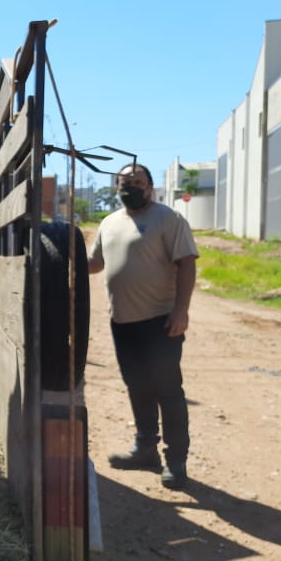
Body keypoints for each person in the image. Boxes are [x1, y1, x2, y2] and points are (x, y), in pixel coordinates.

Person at [88, 163, 199, 489]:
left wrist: (181, 311)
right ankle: (145, 449)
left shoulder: (168, 219)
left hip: (160, 322)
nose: (130, 187)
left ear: (150, 187)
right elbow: (95, 264)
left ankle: (176, 462)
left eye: (137, 182)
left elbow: (187, 263)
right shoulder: (109, 223)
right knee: (137, 386)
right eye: (124, 182)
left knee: (168, 391)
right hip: (122, 322)